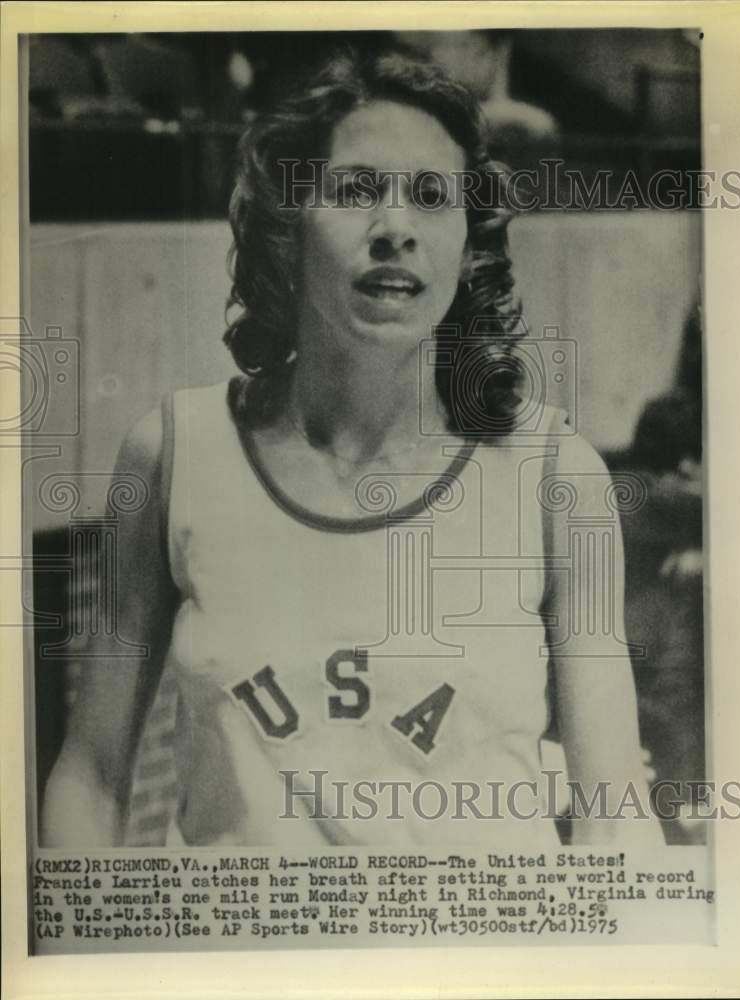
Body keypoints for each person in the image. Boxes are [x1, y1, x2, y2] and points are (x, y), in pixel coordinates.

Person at [42, 49, 656, 848]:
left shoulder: (553, 474)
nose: (394, 228)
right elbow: (90, 774)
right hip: (246, 967)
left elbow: (614, 810)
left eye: (431, 198)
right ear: (288, 227)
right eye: (356, 190)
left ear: (468, 243)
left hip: (476, 966)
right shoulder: (174, 453)